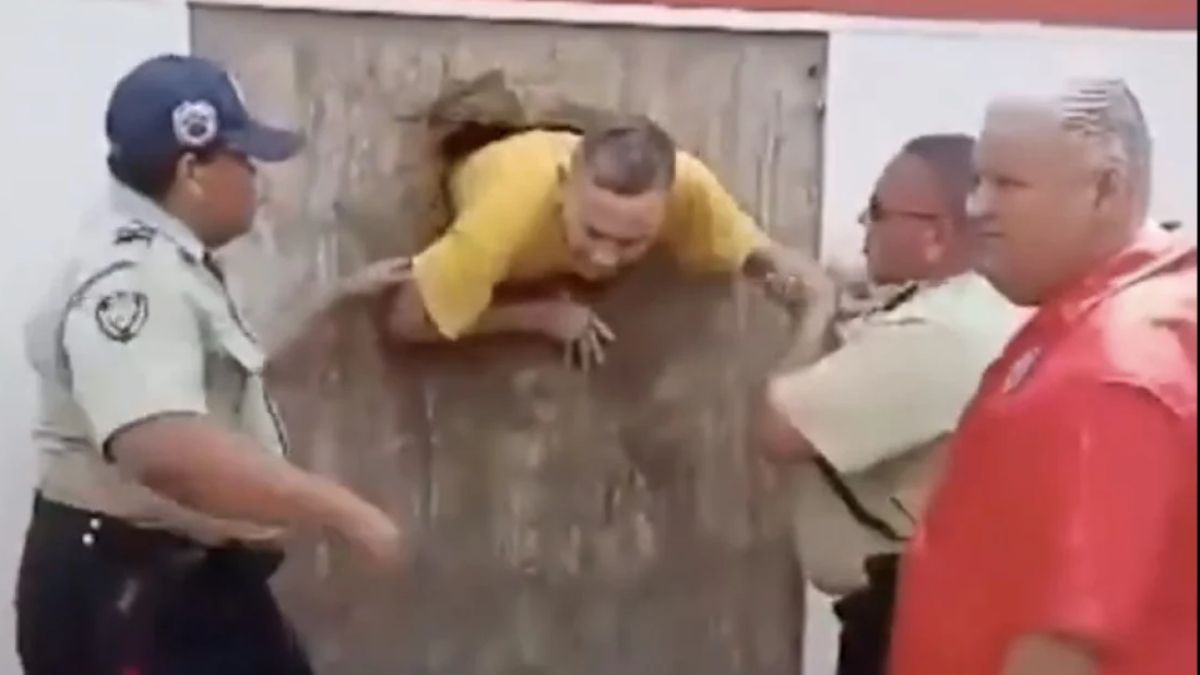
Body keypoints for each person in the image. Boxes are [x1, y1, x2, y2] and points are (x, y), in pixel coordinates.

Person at [16, 54, 408, 675]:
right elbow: (165, 448)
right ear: (192, 170)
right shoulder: (136, 279)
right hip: (135, 591)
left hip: (182, 581)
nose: (257, 181)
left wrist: (340, 298)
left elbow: (214, 371)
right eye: (243, 160)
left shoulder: (167, 262)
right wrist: (341, 511)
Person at [890, 79, 1197, 675]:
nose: (977, 207)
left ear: (1105, 188)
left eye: (1007, 184)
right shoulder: (1124, 309)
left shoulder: (1113, 367)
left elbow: (1068, 641)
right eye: (978, 181)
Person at [757, 134, 1027, 675]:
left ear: (935, 234)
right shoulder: (987, 305)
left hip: (910, 617)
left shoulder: (936, 332)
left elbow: (778, 430)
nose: (864, 227)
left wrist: (813, 314)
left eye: (878, 212)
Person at [383, 116, 832, 368]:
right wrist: (538, 316)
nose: (604, 258)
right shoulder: (503, 214)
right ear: (564, 185)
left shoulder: (691, 188)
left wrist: (810, 300)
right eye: (593, 231)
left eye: (631, 242)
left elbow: (770, 263)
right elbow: (405, 322)